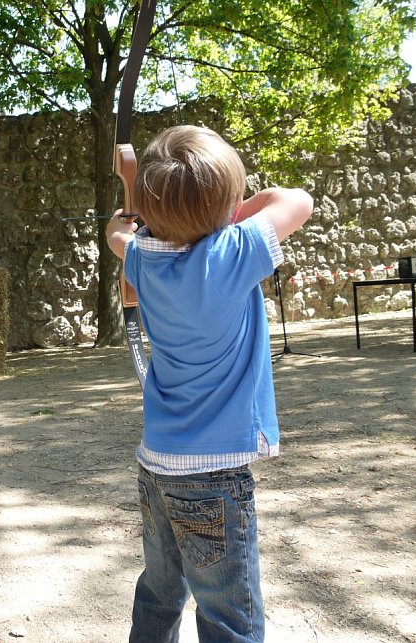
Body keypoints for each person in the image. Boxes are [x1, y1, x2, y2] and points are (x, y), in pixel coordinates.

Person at [106, 125, 313, 642]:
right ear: (230, 206)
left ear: (146, 211)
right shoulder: (234, 251)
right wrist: (229, 214)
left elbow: (117, 236)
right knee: (228, 613)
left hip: (156, 466)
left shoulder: (140, 255)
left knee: (159, 590)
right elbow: (298, 200)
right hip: (215, 476)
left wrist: (126, 217)